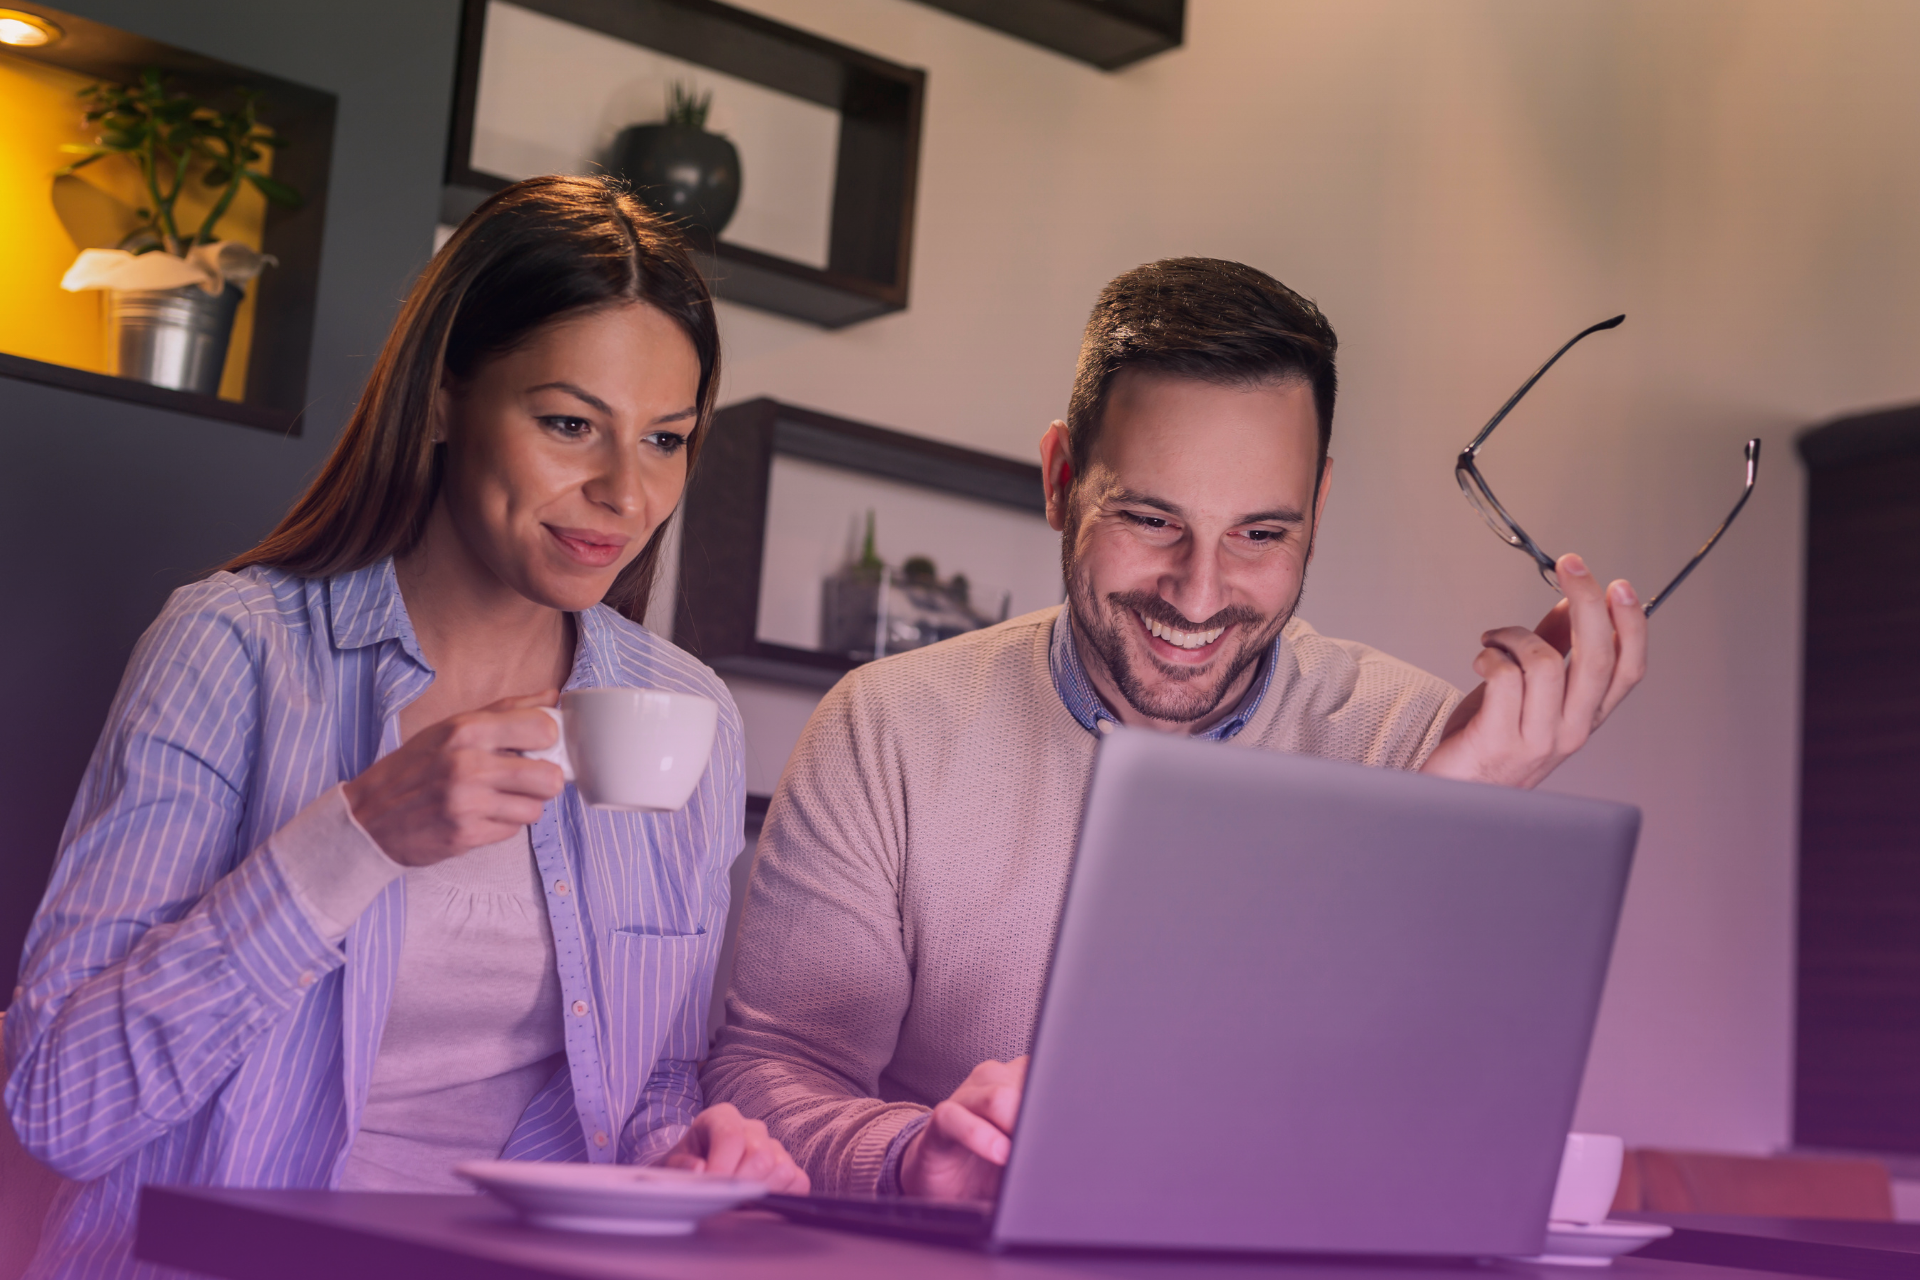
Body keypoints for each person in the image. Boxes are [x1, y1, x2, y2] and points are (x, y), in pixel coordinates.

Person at [700, 258, 1648, 1202]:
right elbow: (768, 1070)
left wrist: (1446, 829)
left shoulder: (1421, 744)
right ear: (1062, 480)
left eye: (1261, 534)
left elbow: (1431, 1139)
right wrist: (916, 1158)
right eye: (1152, 519)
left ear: (1316, 511)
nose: (1198, 595)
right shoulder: (889, 727)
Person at [4, 175, 805, 1280]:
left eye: (665, 439)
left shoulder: (684, 714)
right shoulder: (237, 648)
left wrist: (689, 1149)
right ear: (440, 397)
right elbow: (60, 1101)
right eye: (571, 424)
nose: (625, 492)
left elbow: (648, 1085)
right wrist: (356, 833)